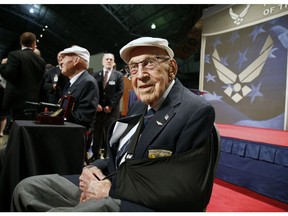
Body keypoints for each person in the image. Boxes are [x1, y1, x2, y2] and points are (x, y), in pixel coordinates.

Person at [11, 37, 215, 212]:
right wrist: (92, 168)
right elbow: (121, 158)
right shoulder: (139, 107)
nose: (141, 75)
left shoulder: (194, 111)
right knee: (27, 189)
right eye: (134, 67)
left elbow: (188, 189)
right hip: (111, 182)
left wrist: (109, 189)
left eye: (150, 63)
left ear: (172, 68)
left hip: (142, 202)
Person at [0, 32, 46, 120]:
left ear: (21, 42)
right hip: (32, 99)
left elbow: (9, 74)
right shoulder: (41, 60)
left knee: (15, 124)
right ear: (34, 44)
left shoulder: (14, 55)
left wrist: (2, 65)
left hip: (16, 99)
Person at [57, 45, 99, 130]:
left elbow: (84, 119)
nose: (61, 62)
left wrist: (58, 114)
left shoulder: (88, 82)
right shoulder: (71, 83)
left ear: (76, 60)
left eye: (64, 58)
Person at [91, 53, 124, 160]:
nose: (109, 60)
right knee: (97, 134)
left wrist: (110, 106)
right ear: (103, 61)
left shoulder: (118, 75)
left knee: (109, 135)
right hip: (98, 110)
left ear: (113, 61)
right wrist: (96, 104)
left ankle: (107, 157)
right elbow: (92, 91)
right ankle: (95, 156)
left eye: (111, 59)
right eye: (107, 59)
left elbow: (120, 92)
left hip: (111, 111)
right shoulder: (95, 74)